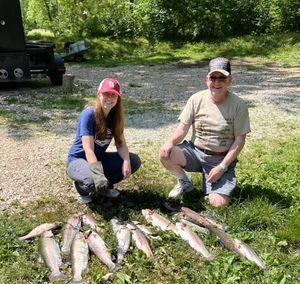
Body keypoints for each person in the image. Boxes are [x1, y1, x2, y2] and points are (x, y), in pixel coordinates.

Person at [159, 57, 250, 207]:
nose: (217, 82)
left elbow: (239, 141)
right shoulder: (196, 99)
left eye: (222, 78)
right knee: (165, 153)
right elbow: (182, 129)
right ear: (206, 79)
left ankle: (215, 184)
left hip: (220, 159)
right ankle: (184, 182)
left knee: (218, 204)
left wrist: (222, 167)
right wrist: (169, 143)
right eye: (213, 77)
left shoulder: (239, 105)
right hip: (195, 152)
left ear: (230, 80)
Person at [67, 77, 141, 204]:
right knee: (91, 182)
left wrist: (126, 161)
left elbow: (120, 143)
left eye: (113, 95)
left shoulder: (115, 117)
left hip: (98, 159)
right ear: (98, 94)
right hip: (78, 160)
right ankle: (81, 188)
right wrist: (97, 174)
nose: (110, 98)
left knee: (134, 161)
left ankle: (104, 186)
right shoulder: (89, 114)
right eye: (106, 94)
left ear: (118, 98)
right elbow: (88, 148)